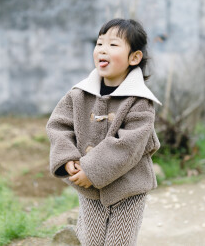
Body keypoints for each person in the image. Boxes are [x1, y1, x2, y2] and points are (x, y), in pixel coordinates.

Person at [46, 18, 161, 246]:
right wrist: (68, 158)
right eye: (99, 44)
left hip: (129, 189)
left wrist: (92, 169)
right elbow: (59, 125)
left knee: (118, 242)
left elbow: (130, 143)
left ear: (134, 58)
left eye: (113, 45)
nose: (103, 50)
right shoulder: (78, 95)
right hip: (90, 192)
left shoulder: (140, 101)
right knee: (91, 240)